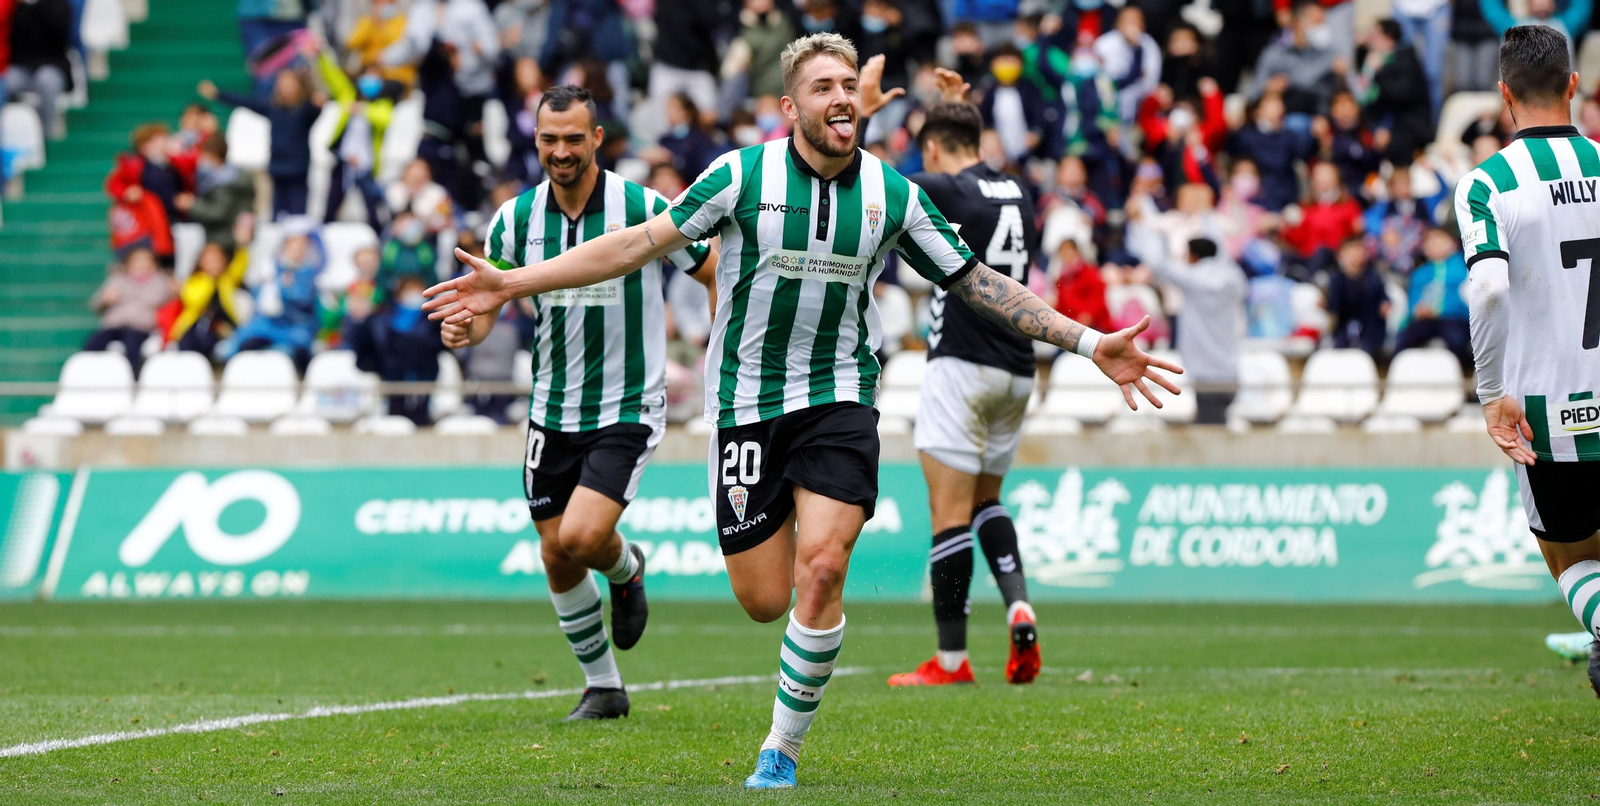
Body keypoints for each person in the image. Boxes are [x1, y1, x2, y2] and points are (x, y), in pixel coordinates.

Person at [425, 34, 1182, 789]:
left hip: (839, 397)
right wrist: (512, 285)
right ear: (790, 107)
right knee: (763, 600)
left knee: (823, 569)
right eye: (822, 87)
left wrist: (1087, 343)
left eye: (848, 84)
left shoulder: (894, 195)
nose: (842, 96)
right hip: (747, 403)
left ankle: (780, 751)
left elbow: (979, 282)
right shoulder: (738, 176)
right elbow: (631, 248)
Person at [437, 86, 718, 722]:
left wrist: (720, 345)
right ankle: (604, 687)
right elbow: (491, 308)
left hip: (626, 404)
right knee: (555, 551)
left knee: (585, 535)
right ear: (536, 142)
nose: (560, 152)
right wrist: (464, 328)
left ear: (597, 139)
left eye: (572, 138)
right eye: (548, 139)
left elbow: (710, 267)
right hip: (551, 406)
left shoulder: (642, 206)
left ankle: (627, 568)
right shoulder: (514, 219)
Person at [860, 69, 1045, 688]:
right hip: (1018, 372)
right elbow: (972, 163)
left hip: (962, 364)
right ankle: (1018, 602)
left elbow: (871, 181)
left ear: (934, 148)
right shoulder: (1016, 189)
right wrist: (956, 107)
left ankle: (950, 662)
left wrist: (866, 117)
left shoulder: (945, 186)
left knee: (949, 515)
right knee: (988, 499)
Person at [1453, 25, 1600, 697]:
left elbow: (1486, 287)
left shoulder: (1487, 185)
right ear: (1574, 86)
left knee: (1569, 558)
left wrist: (1491, 392)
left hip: (1548, 418)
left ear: (1504, 95)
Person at [1145, 238, 1246, 424]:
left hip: (1204, 375)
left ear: (1193, 256)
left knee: (1209, 437)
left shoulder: (1191, 278)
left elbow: (1158, 265)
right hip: (1230, 370)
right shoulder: (1234, 278)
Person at [199, 71, 323, 218]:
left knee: (298, 218)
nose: (284, 88)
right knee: (278, 217)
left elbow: (320, 99)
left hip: (297, 172)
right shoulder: (273, 108)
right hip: (278, 170)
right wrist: (218, 94)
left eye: (289, 84)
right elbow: (245, 101)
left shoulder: (306, 110)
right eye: (281, 84)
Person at [84, 247, 176, 376]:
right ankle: (90, 376)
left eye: (146, 260)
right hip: (115, 325)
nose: (142, 264)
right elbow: (95, 305)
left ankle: (132, 379)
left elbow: (173, 302)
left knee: (132, 345)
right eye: (137, 260)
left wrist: (177, 290)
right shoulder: (117, 279)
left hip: (141, 327)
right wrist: (105, 300)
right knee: (94, 342)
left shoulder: (162, 282)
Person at [1396, 227, 1471, 369]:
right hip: (1425, 321)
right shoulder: (1420, 273)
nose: (1434, 244)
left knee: (1456, 340)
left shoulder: (1465, 268)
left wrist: (1439, 309)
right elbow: (1413, 300)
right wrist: (1417, 310)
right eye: (1429, 241)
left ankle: (1461, 380)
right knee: (1404, 340)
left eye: (1439, 239)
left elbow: (1468, 299)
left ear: (1453, 243)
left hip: (1455, 319)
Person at [170, 239, 250, 360]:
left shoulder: (227, 280)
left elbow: (240, 267)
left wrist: (242, 246)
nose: (214, 264)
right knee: (189, 344)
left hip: (221, 325)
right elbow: (194, 301)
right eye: (209, 261)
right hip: (196, 324)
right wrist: (209, 281)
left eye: (217, 260)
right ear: (201, 263)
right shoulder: (195, 281)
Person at [6, 0, 73, 139]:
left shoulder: (58, 5)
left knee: (46, 80)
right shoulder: (18, 7)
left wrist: (38, 5)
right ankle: (12, 137)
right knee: (6, 81)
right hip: (23, 68)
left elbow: (61, 31)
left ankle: (46, 136)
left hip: (53, 66)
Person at [1324, 236, 1389, 359]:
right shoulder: (1337, 279)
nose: (1355, 255)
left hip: (1369, 331)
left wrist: (1385, 305)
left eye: (1358, 250)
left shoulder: (1374, 278)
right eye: (1350, 251)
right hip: (1344, 330)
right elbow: (1334, 307)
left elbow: (1382, 298)